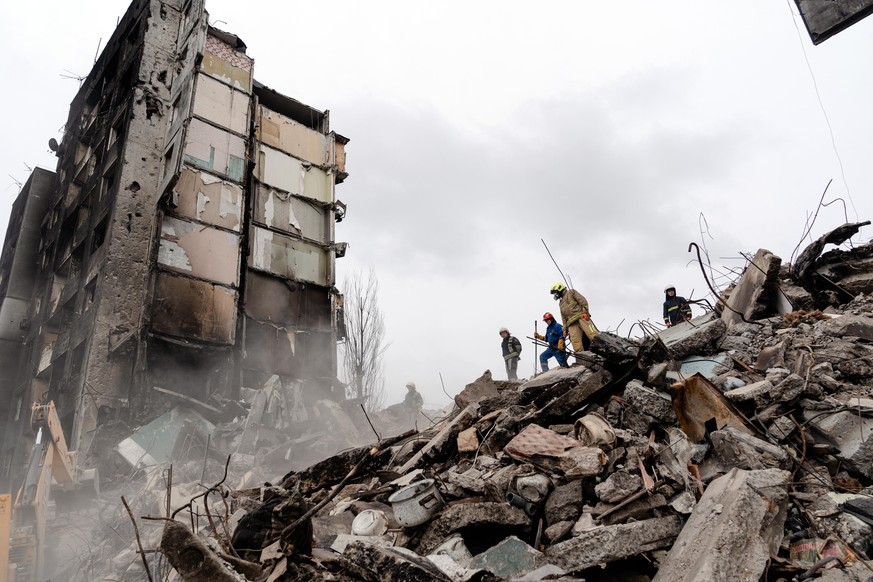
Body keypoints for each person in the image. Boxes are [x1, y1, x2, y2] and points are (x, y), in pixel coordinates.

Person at [550, 282, 598, 354]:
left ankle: (602, 350)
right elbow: (563, 316)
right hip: (571, 323)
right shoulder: (560, 303)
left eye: (555, 292)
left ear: (560, 288)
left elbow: (583, 301)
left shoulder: (571, 292)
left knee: (593, 334)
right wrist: (565, 329)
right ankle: (581, 358)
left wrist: (585, 312)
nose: (555, 295)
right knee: (575, 342)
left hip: (581, 317)